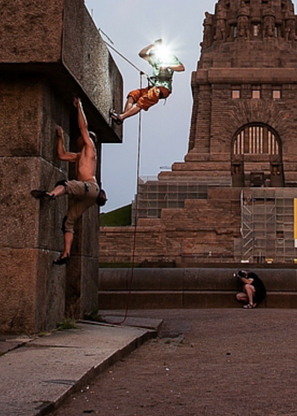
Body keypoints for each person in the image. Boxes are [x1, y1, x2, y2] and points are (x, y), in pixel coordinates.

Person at [31, 98, 100, 265]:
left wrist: (79, 107)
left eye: (80, 138)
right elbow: (62, 155)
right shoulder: (79, 157)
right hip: (89, 195)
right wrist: (60, 138)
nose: (77, 139)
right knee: (68, 221)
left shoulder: (90, 148)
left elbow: (83, 127)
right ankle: (66, 253)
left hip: (89, 187)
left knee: (65, 184)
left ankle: (50, 195)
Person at [110, 39, 184, 124]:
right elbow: (141, 54)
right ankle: (121, 117)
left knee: (143, 100)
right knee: (133, 95)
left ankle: (121, 117)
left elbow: (181, 68)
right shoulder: (156, 59)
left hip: (163, 88)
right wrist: (151, 46)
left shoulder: (170, 57)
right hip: (153, 86)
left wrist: (168, 66)